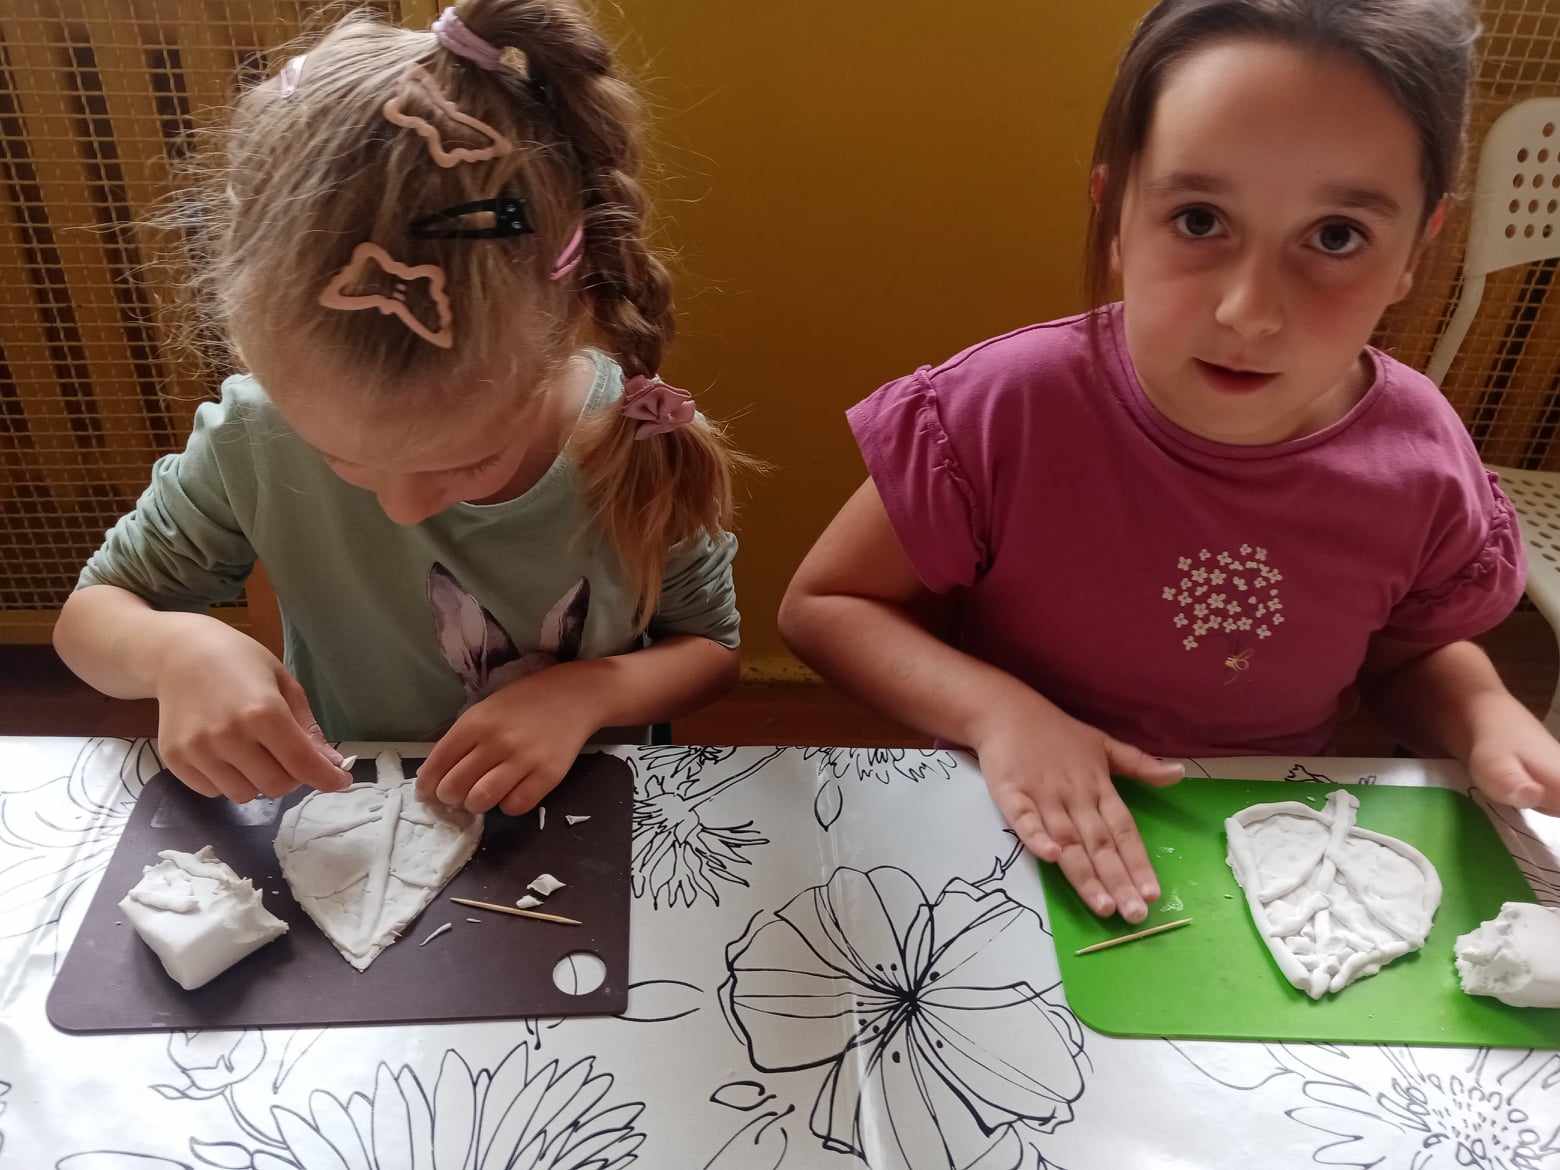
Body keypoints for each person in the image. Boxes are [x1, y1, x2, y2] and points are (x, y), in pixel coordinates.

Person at [780, 0, 1551, 924]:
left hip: (1276, 857)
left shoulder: (1423, 460)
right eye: (1198, 219)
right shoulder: (1005, 406)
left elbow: (1412, 656)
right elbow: (826, 606)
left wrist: (1483, 715)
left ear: (1416, 250)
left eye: (1336, 236)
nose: (1249, 312)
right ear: (1115, 215)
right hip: (1013, 826)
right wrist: (999, 713)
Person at [54, 1, 751, 817]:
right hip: (355, 801)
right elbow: (90, 618)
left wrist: (587, 692)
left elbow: (710, 649)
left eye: (468, 462)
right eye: (338, 456)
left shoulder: (632, 437)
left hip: (583, 807)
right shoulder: (254, 434)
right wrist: (174, 652)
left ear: (568, 323)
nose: (401, 506)